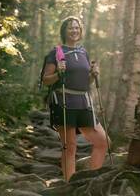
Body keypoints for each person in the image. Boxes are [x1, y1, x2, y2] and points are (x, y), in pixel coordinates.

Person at [41, 16, 109, 181]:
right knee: (69, 147)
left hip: (83, 102)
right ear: (64, 30)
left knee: (103, 142)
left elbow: (86, 82)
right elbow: (46, 79)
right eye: (71, 27)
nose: (74, 30)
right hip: (63, 101)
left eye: (77, 27)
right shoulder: (56, 52)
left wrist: (93, 75)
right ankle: (69, 184)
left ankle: (91, 180)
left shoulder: (83, 52)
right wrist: (59, 73)